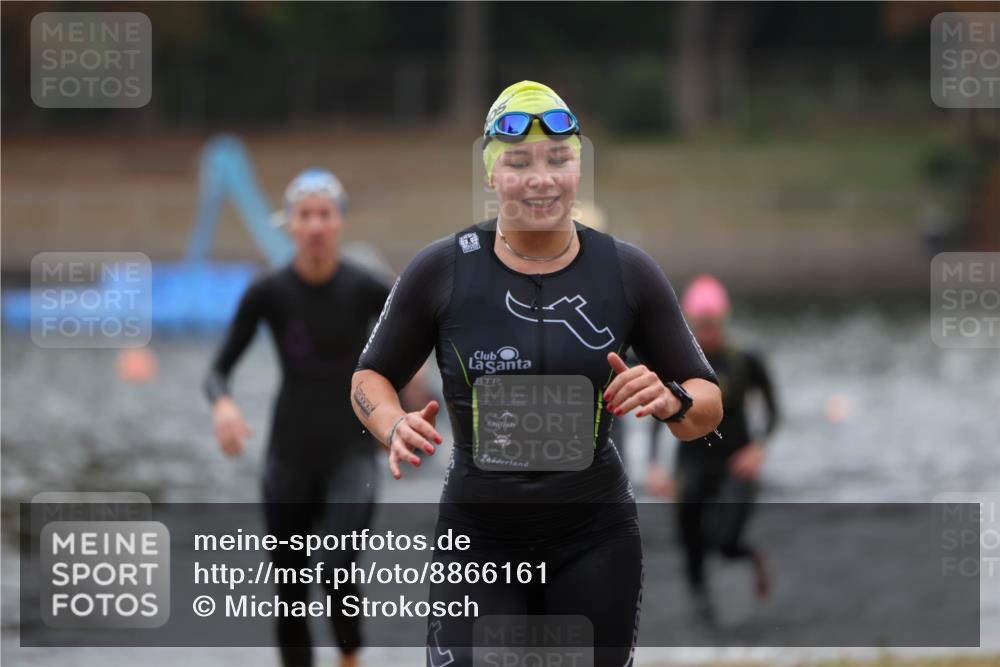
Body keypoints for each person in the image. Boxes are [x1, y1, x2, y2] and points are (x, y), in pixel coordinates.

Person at [351, 81, 723, 666]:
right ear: (491, 175)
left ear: (578, 169)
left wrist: (673, 399)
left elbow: (709, 402)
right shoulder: (441, 270)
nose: (541, 179)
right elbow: (368, 378)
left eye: (558, 160)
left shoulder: (627, 272)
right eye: (519, 163)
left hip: (595, 540)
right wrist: (392, 423)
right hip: (478, 541)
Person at [204, 169, 391, 667]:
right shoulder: (268, 291)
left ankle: (350, 660)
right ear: (288, 224)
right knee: (289, 589)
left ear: (340, 222)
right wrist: (224, 404)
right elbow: (219, 370)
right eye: (304, 215)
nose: (315, 226)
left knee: (337, 568)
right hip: (288, 457)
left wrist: (401, 405)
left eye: (325, 214)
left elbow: (422, 337)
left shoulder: (367, 288)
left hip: (352, 452)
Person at [646, 274, 780, 623]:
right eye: (701, 325)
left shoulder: (745, 358)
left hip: (736, 460)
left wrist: (758, 451)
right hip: (691, 461)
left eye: (713, 324)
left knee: (725, 539)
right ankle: (701, 608)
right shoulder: (677, 362)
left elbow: (773, 413)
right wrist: (654, 466)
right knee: (688, 538)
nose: (707, 332)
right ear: (690, 323)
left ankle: (750, 556)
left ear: (724, 319)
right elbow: (658, 415)